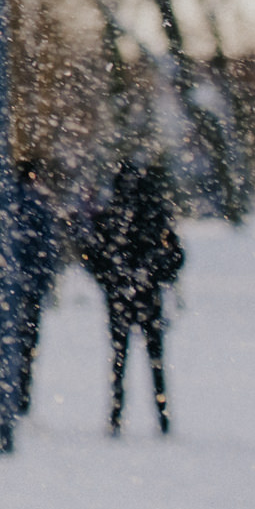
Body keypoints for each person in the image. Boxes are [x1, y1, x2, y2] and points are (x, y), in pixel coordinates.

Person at [76, 157, 184, 436]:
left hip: (121, 298)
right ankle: (160, 417)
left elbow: (91, 256)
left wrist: (113, 279)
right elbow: (174, 257)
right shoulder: (153, 215)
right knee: (152, 359)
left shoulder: (113, 215)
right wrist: (151, 275)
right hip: (146, 298)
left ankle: (118, 414)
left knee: (121, 358)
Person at [10, 160, 64, 416]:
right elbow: (50, 246)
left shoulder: (6, 202)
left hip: (10, 285)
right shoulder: (41, 204)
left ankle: (8, 390)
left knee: (8, 339)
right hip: (33, 283)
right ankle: (22, 393)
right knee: (29, 340)